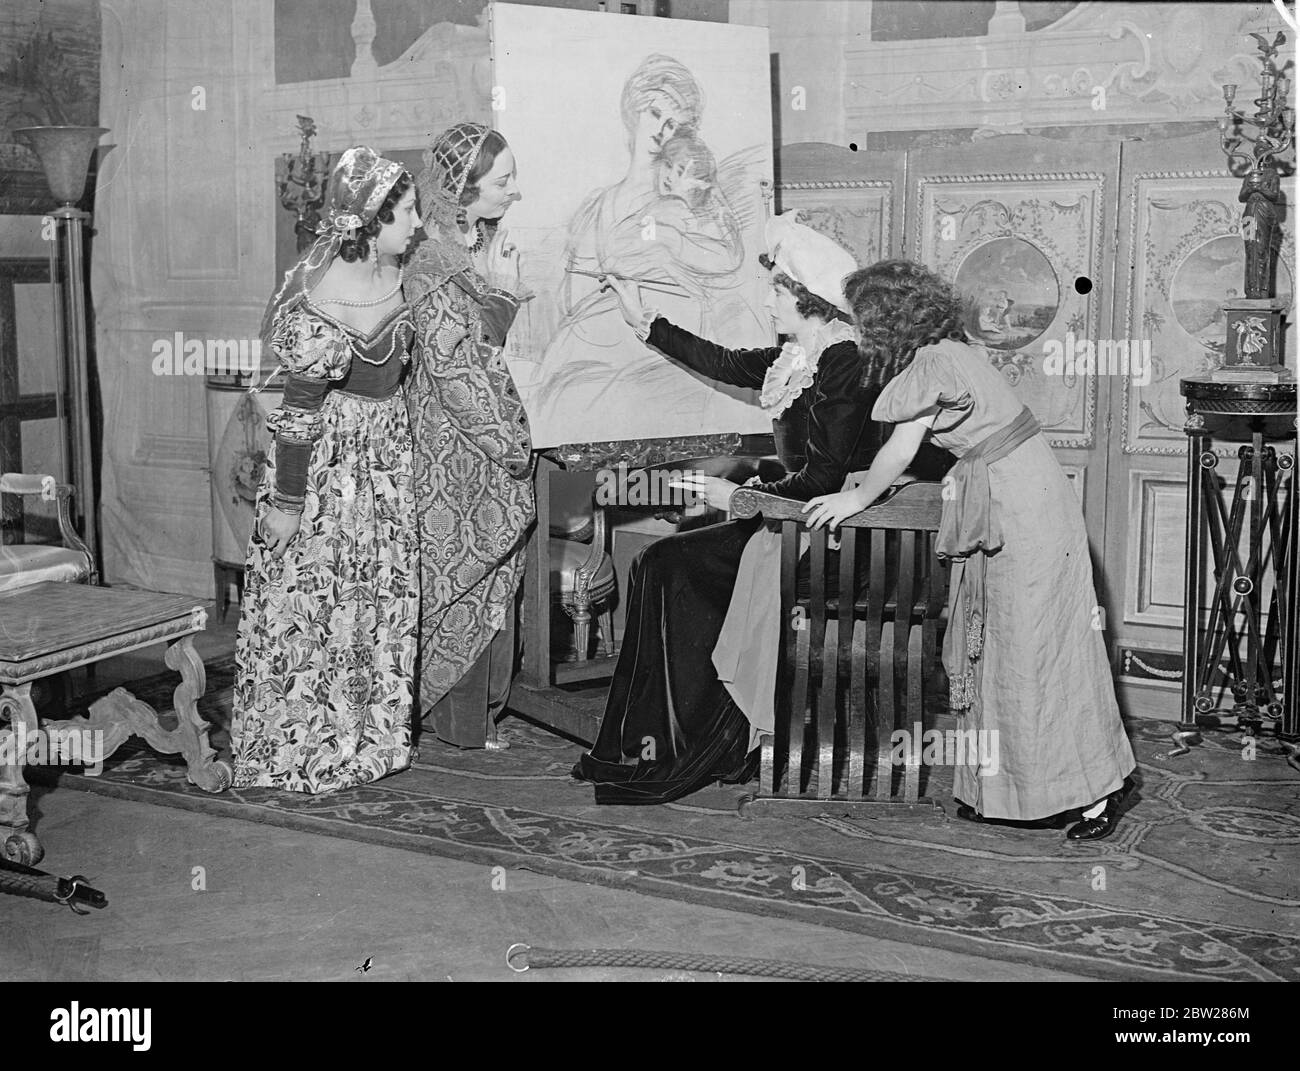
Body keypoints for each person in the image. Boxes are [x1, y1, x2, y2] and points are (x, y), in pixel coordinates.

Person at [573, 215, 951, 805]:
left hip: (830, 537)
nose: (768, 298)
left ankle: (704, 743)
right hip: (790, 518)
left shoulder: (843, 363)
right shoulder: (798, 357)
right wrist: (639, 314)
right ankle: (663, 741)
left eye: (778, 289)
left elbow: (824, 478)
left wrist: (740, 498)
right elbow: (722, 362)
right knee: (658, 562)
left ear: (811, 301)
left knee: (668, 566)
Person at [803, 260, 1136, 841]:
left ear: (887, 321)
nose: (855, 331)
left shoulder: (933, 362)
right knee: (1011, 651)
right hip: (1018, 495)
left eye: (860, 320)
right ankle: (1032, 793)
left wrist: (856, 499)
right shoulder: (952, 351)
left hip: (1022, 510)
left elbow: (901, 450)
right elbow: (966, 438)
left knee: (1042, 650)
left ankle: (1099, 792)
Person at [230, 146, 422, 793]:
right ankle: (314, 736)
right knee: (323, 597)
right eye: (407, 213)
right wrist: (286, 503)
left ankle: (371, 727)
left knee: (377, 590)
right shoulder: (321, 302)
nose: (417, 224)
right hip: (334, 470)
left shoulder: (402, 277)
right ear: (370, 222)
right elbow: (299, 415)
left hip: (385, 466)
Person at [405, 122, 534, 750]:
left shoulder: (469, 246)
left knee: (489, 574)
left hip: (477, 434)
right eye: (502, 181)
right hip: (454, 441)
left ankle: (473, 716)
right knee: (464, 576)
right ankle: (460, 722)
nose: (513, 192)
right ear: (464, 188)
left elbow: (481, 343)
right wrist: (504, 443)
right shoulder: (434, 262)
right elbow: (454, 366)